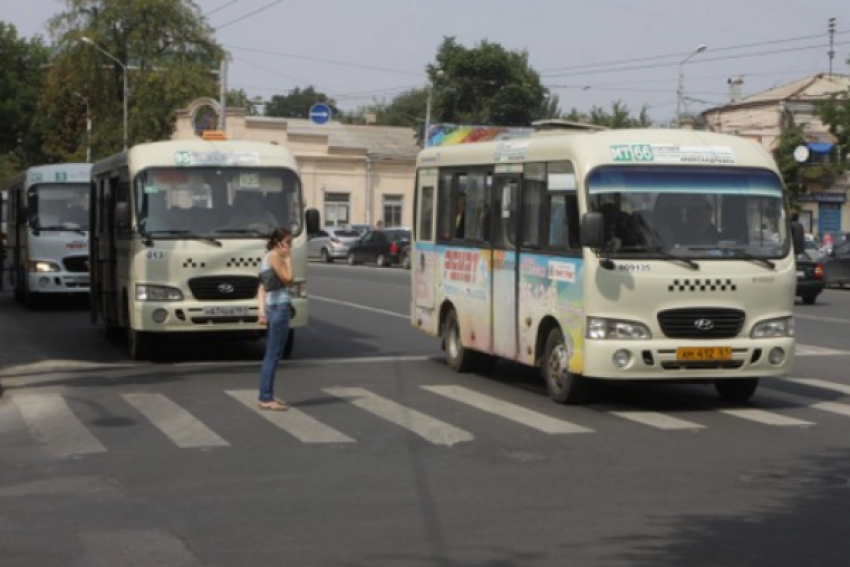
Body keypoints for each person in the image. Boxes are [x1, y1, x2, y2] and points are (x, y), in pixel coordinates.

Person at [256, 228, 294, 411]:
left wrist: (262, 311)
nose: (290, 246)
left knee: (273, 354)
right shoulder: (275, 257)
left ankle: (268, 395)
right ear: (278, 242)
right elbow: (289, 279)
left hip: (274, 308)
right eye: (288, 242)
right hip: (279, 308)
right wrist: (288, 259)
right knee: (273, 355)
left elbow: (262, 288)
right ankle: (265, 397)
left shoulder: (267, 257)